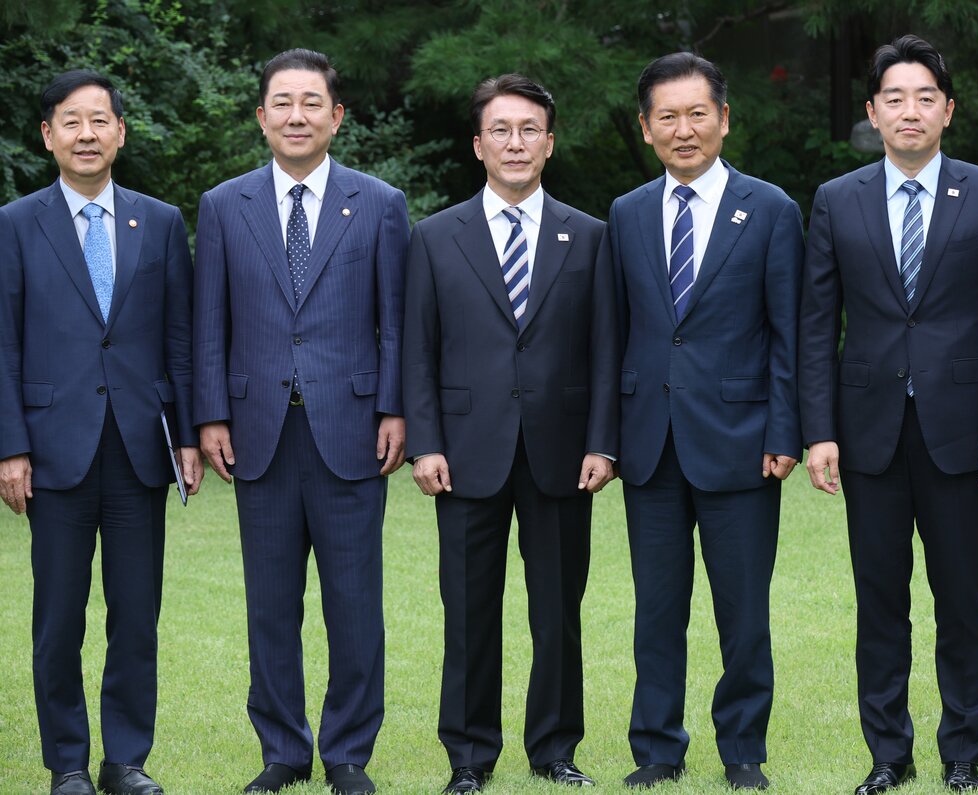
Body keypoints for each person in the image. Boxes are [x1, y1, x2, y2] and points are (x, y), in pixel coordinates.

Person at [799, 34, 978, 794]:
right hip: (867, 431)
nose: (910, 111)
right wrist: (819, 429)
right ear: (872, 111)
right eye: (894, 98)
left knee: (963, 601)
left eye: (925, 97)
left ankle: (962, 751)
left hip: (963, 432)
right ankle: (888, 754)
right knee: (881, 602)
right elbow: (816, 322)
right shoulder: (837, 199)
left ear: (948, 109)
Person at [192, 48, 409, 795]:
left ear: (336, 117)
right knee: (270, 606)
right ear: (261, 117)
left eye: (312, 102)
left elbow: (394, 321)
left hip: (351, 431)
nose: (296, 115)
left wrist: (393, 407)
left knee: (356, 607)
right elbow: (208, 321)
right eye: (282, 102)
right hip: (257, 434)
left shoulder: (380, 204)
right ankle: (282, 749)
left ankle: (348, 751)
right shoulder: (224, 205)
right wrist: (211, 414)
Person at [402, 73, 618, 794]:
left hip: (563, 451)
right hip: (464, 452)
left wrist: (602, 441)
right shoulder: (434, 238)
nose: (515, 142)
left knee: (558, 610)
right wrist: (425, 441)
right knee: (468, 610)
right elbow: (418, 350)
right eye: (501, 129)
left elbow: (606, 348)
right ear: (478, 144)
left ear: (550, 144)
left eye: (530, 129)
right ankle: (468, 756)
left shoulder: (590, 237)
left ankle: (555, 747)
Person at [604, 51, 803, 791]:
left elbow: (789, 333)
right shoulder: (624, 215)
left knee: (743, 612)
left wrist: (787, 431)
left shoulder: (772, 209)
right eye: (667, 117)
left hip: (743, 442)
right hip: (649, 445)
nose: (683, 130)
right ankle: (657, 745)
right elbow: (612, 336)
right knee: (657, 609)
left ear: (724, 117)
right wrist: (606, 439)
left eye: (697, 114)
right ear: (647, 128)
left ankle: (743, 748)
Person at [0, 70, 202, 795]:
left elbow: (179, 338)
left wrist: (185, 434)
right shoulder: (15, 224)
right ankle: (67, 765)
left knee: (135, 616)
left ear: (121, 130)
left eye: (100, 120)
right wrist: (10, 444)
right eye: (70, 121)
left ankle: (125, 761)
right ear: (48, 135)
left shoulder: (160, 219)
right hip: (52, 450)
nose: (86, 134)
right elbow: (3, 344)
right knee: (57, 619)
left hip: (139, 448)